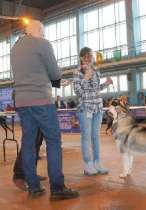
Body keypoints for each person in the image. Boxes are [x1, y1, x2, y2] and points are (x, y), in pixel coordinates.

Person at [11, 19, 79, 200]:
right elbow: (55, 73)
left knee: (28, 142)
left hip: (22, 101)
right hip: (41, 99)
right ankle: (57, 187)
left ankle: (33, 187)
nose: (44, 35)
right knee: (54, 141)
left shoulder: (15, 48)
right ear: (38, 30)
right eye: (43, 32)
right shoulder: (42, 43)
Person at [74, 47, 113, 176]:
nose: (88, 58)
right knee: (86, 137)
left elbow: (96, 90)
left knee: (96, 137)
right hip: (85, 108)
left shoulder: (96, 71)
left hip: (98, 107)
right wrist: (85, 77)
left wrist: (106, 84)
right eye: (85, 56)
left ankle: (97, 163)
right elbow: (78, 92)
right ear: (81, 58)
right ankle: (88, 165)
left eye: (90, 56)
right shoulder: (77, 72)